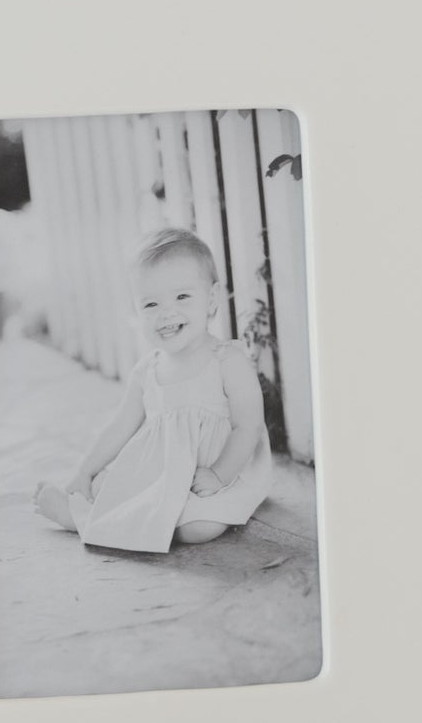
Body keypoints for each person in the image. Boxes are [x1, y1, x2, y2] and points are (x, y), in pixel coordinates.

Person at [34, 227, 274, 552]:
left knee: (197, 527)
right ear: (136, 313)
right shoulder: (147, 371)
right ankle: (80, 514)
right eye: (150, 304)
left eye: (182, 297)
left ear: (212, 299)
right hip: (164, 474)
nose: (166, 313)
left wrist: (219, 474)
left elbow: (248, 426)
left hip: (221, 472)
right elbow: (119, 428)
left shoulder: (227, 360)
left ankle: (95, 521)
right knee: (126, 494)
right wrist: (84, 473)